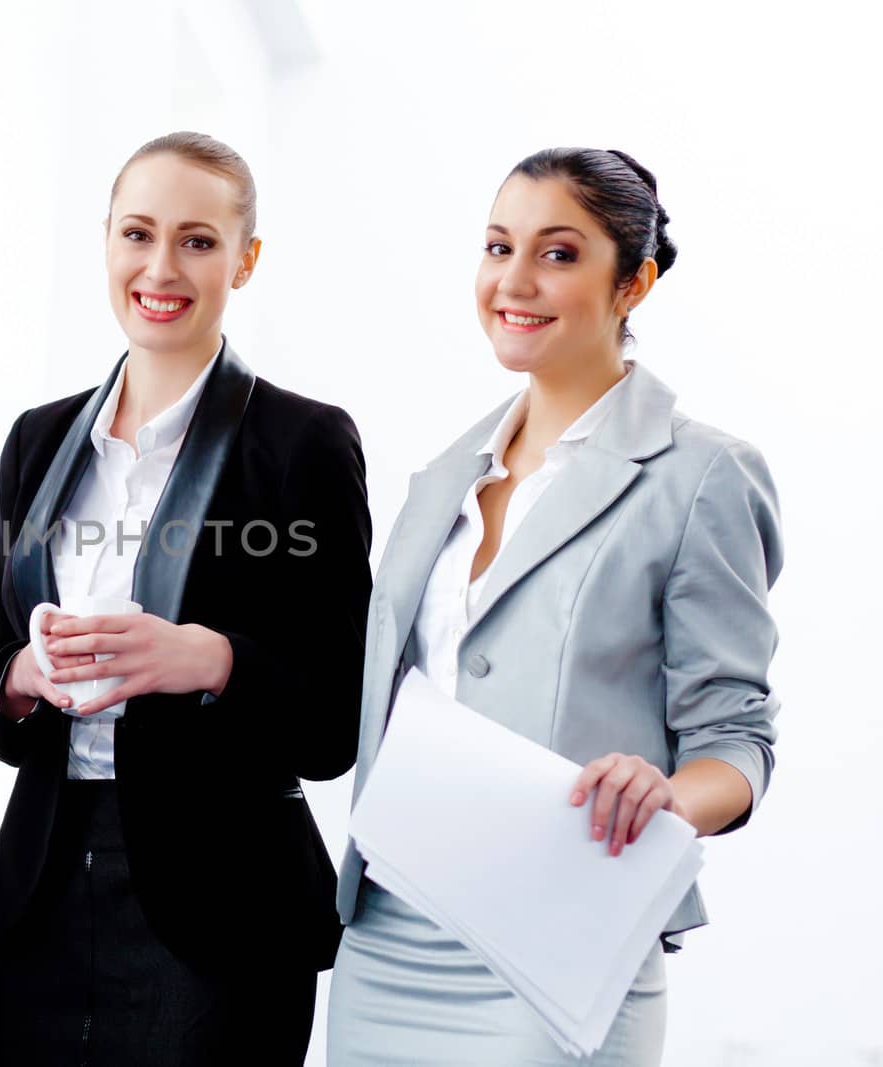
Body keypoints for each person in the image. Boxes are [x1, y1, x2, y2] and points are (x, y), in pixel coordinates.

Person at [328, 148, 782, 1065]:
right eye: (499, 247)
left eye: (559, 253)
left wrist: (665, 793)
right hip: (385, 936)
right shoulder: (440, 482)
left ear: (635, 283)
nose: (515, 280)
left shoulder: (701, 476)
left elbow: (737, 740)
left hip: (561, 943)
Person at [0, 131, 374, 1066]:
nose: (161, 267)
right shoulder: (37, 440)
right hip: (46, 886)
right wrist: (25, 677)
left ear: (246, 259)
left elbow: (335, 723)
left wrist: (211, 658)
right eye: (138, 234)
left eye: (197, 240)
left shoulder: (303, 442)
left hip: (224, 900)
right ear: (105, 240)